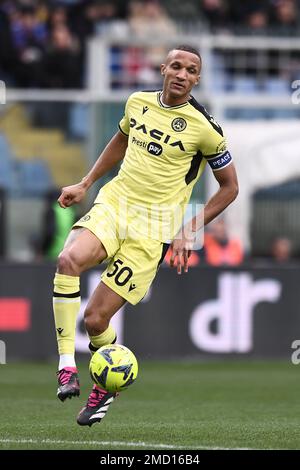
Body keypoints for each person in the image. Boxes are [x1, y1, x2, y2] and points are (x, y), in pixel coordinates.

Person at [53, 45, 239, 427]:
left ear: (197, 79)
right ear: (163, 69)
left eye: (191, 70)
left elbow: (230, 187)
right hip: (116, 204)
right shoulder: (137, 102)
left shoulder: (205, 129)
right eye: (176, 66)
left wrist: (190, 230)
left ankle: (106, 386)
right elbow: (121, 139)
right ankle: (66, 364)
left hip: (154, 228)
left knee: (95, 320)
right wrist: (87, 183)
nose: (182, 74)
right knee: (68, 260)